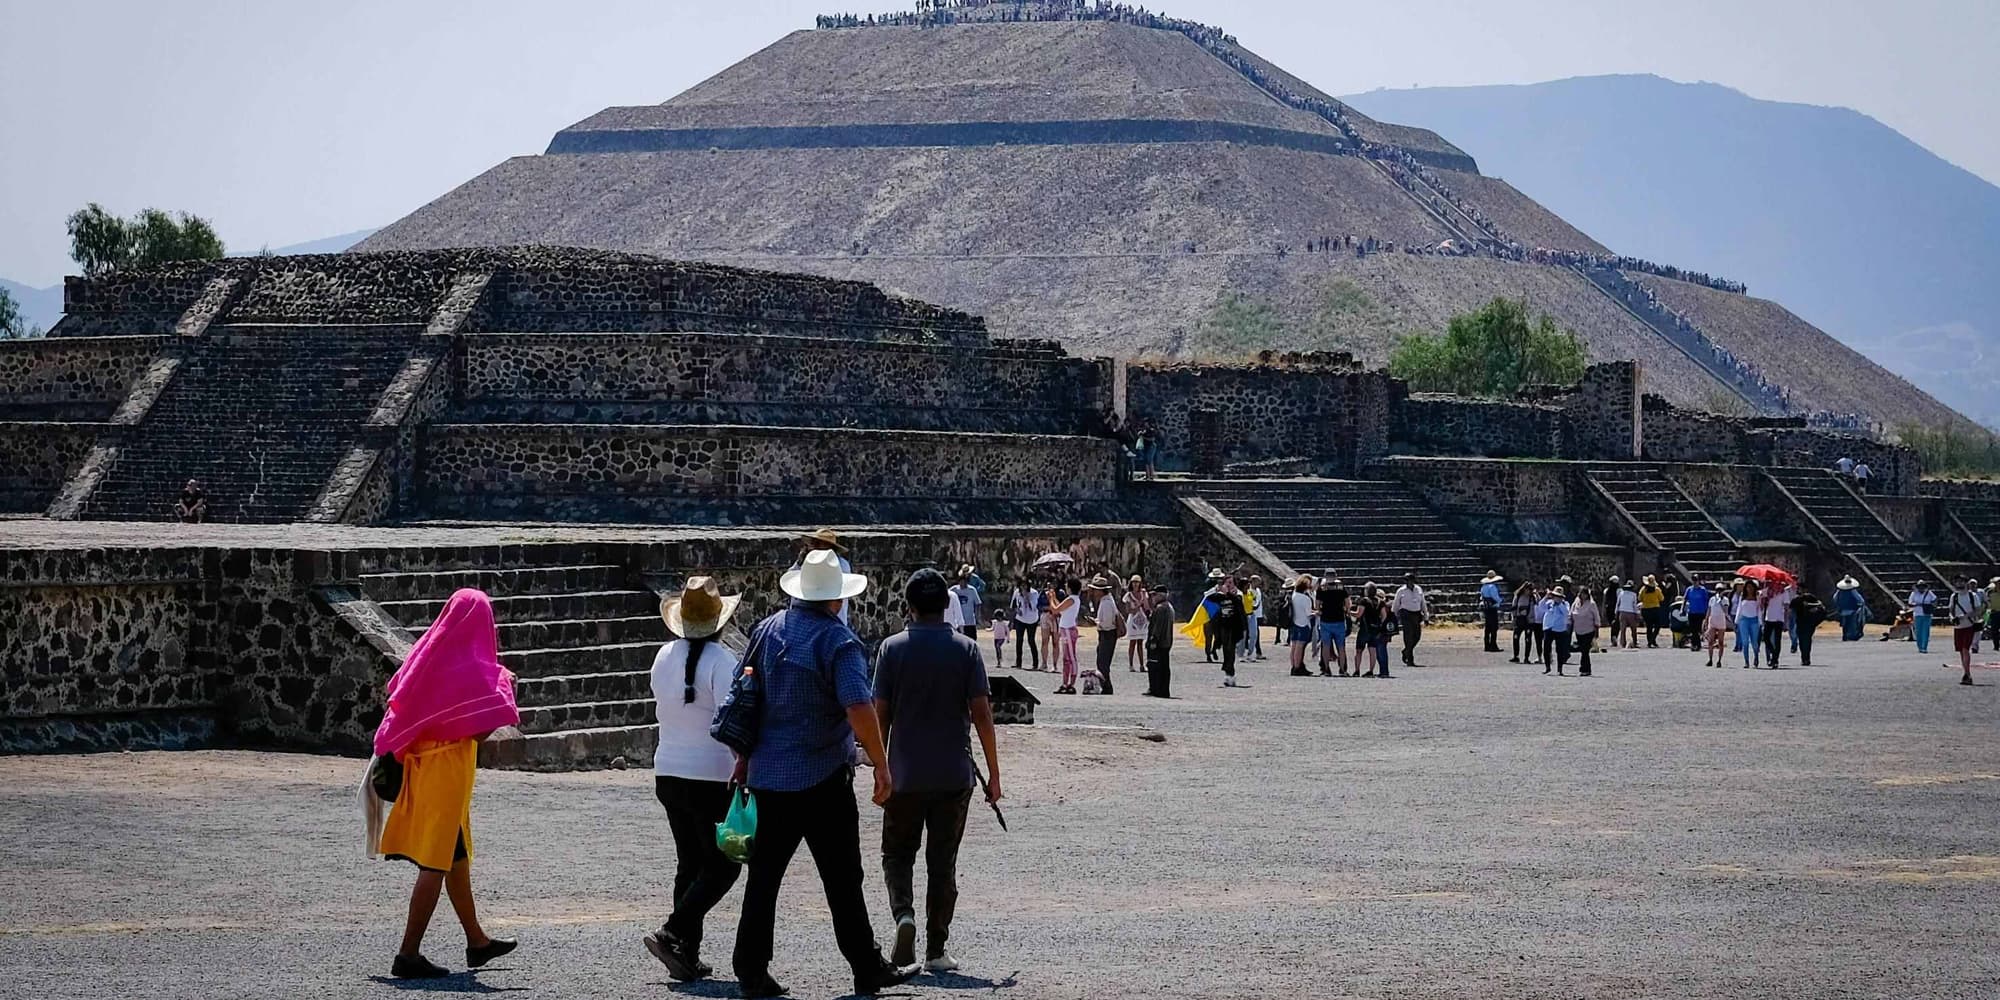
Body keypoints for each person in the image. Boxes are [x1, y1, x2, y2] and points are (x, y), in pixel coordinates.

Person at [731, 549, 921, 999]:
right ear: (836, 599)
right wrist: (881, 763)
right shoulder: (838, 642)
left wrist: (743, 758)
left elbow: (746, 697)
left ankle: (750, 968)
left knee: (764, 878)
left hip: (768, 775)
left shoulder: (766, 631)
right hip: (821, 777)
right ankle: (865, 964)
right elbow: (858, 706)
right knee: (842, 878)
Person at [369, 589, 521, 980]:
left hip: (425, 770)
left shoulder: (427, 655)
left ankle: (477, 941)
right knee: (436, 862)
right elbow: (481, 731)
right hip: (445, 775)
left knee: (455, 858)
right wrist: (506, 688)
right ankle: (408, 953)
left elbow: (399, 701)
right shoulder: (472, 669)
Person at [874, 569, 1001, 976]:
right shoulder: (965, 650)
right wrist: (994, 775)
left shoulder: (891, 649)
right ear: (948, 605)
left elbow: (881, 715)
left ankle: (903, 915)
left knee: (896, 853)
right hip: (952, 774)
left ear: (908, 605)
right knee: (942, 863)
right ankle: (936, 948)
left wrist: (880, 767)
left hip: (904, 774)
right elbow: (982, 714)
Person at [645, 578, 746, 981]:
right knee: (725, 865)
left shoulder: (663, 656)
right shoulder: (723, 663)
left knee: (690, 862)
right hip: (710, 774)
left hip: (668, 769)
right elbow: (730, 721)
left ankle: (687, 951)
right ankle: (674, 931)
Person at [794, 529, 855, 625]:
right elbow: (792, 575)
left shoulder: (841, 565)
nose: (814, 546)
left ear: (829, 547)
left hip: (834, 620)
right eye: (814, 543)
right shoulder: (809, 561)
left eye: (818, 543)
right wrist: (799, 562)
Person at [1212, 574, 1248, 687]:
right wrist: (1215, 590)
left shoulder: (1238, 595)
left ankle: (1230, 674)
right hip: (1223, 626)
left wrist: (1227, 593)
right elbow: (1209, 599)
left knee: (1230, 649)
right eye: (1226, 583)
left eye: (1231, 583)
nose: (1228, 585)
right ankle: (1228, 673)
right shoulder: (1220, 596)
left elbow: (1237, 603)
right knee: (1226, 650)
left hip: (1234, 626)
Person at [1950, 577, 1985, 686]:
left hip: (1969, 625)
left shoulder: (1972, 596)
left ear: (1966, 583)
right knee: (1961, 650)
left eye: (1961, 581)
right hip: (1958, 627)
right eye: (1957, 582)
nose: (1959, 584)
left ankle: (1967, 674)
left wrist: (1965, 616)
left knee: (1965, 649)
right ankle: (1966, 673)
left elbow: (1978, 610)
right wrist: (1952, 618)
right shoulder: (1954, 596)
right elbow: (1951, 610)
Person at [1089, 574, 1120, 696]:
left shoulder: (1106, 603)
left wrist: (1095, 622)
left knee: (1103, 662)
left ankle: (1107, 686)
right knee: (1102, 661)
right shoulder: (1106, 600)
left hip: (1107, 634)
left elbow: (1106, 623)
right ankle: (1106, 685)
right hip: (1107, 634)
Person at [1392, 573, 1429, 667]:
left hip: (1416, 614)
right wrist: (1393, 616)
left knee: (1417, 636)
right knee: (1408, 637)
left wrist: (1426, 617)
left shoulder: (1418, 589)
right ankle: (1410, 659)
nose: (1408, 583)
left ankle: (1406, 651)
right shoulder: (1401, 591)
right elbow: (1396, 604)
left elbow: (1423, 604)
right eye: (1407, 581)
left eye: (1410, 580)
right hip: (1406, 614)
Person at [1316, 571, 1349, 676]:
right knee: (1341, 647)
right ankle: (1343, 669)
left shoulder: (1321, 588)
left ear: (1325, 577)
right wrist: (1346, 611)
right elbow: (1348, 602)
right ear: (1336, 577)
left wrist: (1320, 611)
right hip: (1339, 619)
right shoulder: (1341, 587)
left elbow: (1317, 605)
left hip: (1326, 620)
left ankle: (1326, 668)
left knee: (1326, 645)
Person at [1145, 588, 1176, 698]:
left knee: (1155, 666)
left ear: (1161, 595)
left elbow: (1157, 628)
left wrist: (1153, 641)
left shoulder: (1160, 608)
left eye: (1155, 595)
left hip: (1159, 643)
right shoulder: (1169, 607)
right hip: (1166, 642)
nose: (1153, 598)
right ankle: (1163, 690)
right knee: (1164, 667)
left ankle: (1156, 689)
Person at [1053, 579, 1082, 695]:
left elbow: (1055, 610)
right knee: (1066, 659)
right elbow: (1060, 609)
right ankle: (1065, 683)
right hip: (1065, 629)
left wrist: (1050, 599)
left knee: (1071, 658)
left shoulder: (1072, 599)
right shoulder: (1070, 599)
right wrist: (1053, 597)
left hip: (1069, 630)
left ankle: (1071, 684)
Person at [1286, 575, 1315, 677]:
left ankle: (1294, 665)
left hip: (1294, 622)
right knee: (1300, 646)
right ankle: (1298, 667)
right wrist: (1316, 613)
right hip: (1304, 623)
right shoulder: (1305, 598)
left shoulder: (1294, 595)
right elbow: (1308, 613)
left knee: (1294, 646)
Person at [1010, 580, 1041, 671]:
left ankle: (1035, 664)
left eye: (1025, 585)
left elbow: (1034, 607)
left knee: (1031, 640)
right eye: (1021, 585)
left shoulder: (1034, 593)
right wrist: (1017, 610)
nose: (1023, 588)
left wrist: (1027, 597)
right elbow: (1013, 605)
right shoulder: (1016, 592)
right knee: (1019, 640)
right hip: (1020, 619)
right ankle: (1018, 662)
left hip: (1032, 619)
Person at [1761, 580, 1793, 668]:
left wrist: (1786, 622)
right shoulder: (1767, 591)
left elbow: (1786, 607)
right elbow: (1761, 604)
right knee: (1766, 638)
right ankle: (1773, 653)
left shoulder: (1783, 592)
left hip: (1779, 618)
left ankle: (1775, 660)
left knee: (1777, 640)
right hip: (1769, 617)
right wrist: (1763, 598)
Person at [1541, 584, 1572, 675]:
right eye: (1555, 596)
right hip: (1548, 627)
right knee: (1546, 648)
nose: (1557, 598)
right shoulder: (1549, 603)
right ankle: (1547, 667)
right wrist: (1546, 597)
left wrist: (1559, 604)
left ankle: (1560, 668)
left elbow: (1566, 613)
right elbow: (1540, 607)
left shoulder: (1565, 604)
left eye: (1559, 596)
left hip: (1559, 629)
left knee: (1560, 650)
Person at [1571, 586, 1600, 677]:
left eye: (1585, 594)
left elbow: (1596, 616)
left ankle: (1585, 668)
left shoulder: (1591, 604)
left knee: (1585, 650)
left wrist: (1597, 626)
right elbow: (1571, 613)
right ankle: (1585, 668)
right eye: (1581, 594)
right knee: (1583, 649)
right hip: (1578, 630)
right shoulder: (1576, 603)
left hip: (1589, 630)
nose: (1583, 596)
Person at [1793, 590, 1829, 666]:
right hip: (1802, 623)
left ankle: (1805, 658)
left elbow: (1820, 606)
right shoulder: (1796, 599)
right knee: (1804, 641)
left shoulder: (1809, 597)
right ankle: (1805, 658)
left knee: (1805, 641)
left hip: (1807, 623)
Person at [1735, 580, 1765, 668]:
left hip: (1754, 620)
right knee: (1745, 642)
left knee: (1754, 642)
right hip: (1744, 620)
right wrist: (1736, 621)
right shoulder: (1742, 596)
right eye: (1748, 587)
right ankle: (1746, 661)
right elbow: (1739, 609)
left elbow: (1759, 610)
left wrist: (1761, 623)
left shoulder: (1757, 596)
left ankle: (1756, 657)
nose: (1749, 589)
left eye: (1751, 587)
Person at [1703, 584, 1733, 667]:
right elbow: (1709, 610)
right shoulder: (1712, 599)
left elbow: (1725, 611)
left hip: (1721, 621)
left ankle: (1719, 660)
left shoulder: (1725, 600)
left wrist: (1720, 602)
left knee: (1720, 642)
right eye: (1718, 590)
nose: (1719, 591)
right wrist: (1706, 620)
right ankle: (1710, 659)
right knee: (1710, 641)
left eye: (1721, 590)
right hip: (1713, 621)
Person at [948, 569, 982, 642]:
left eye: (964, 581)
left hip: (970, 621)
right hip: (958, 622)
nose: (962, 584)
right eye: (961, 581)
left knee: (972, 640)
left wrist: (977, 615)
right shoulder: (954, 590)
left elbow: (978, 603)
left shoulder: (972, 590)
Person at [1124, 577, 1150, 672]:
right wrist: (1137, 607)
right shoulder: (1128, 595)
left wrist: (1144, 601)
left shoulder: (1143, 594)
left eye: (1137, 582)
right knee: (1132, 643)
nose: (1135, 584)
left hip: (1142, 620)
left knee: (1140, 643)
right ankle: (1131, 665)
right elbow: (1128, 610)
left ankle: (1142, 665)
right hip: (1133, 620)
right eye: (1134, 582)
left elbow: (1147, 607)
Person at [1509, 581, 1536, 663]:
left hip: (1528, 620)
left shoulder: (1532, 598)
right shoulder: (1518, 596)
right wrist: (1513, 618)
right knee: (1516, 637)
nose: (1529, 591)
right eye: (1528, 589)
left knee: (1528, 639)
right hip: (1519, 619)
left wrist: (1531, 620)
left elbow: (1533, 609)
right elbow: (1514, 608)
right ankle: (1516, 656)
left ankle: (1526, 657)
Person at [1834, 576, 1867, 641]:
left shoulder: (1839, 591)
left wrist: (1839, 605)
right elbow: (1861, 600)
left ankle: (1845, 635)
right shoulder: (1853, 591)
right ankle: (1852, 636)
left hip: (1843, 611)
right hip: (1852, 611)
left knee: (1845, 624)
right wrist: (1859, 605)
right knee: (1852, 624)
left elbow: (1835, 598)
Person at [1909, 582, 1938, 655]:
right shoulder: (1914, 593)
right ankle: (1920, 647)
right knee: (1918, 632)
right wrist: (1917, 604)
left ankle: (1924, 647)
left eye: (1922, 587)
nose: (1921, 588)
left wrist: (1932, 605)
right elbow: (1910, 603)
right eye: (1920, 587)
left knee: (1926, 631)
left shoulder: (1929, 593)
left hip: (1927, 614)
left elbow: (1935, 599)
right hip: (1917, 614)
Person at [1683, 579, 1711, 652]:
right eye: (1694, 580)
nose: (1695, 582)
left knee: (1698, 629)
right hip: (1692, 612)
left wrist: (1707, 611)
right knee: (1693, 629)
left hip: (1700, 612)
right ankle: (1695, 644)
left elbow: (1706, 600)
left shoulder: (1702, 590)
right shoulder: (1689, 589)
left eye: (1696, 580)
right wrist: (1682, 609)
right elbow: (1685, 599)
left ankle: (1696, 644)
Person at [1478, 571, 1504, 653]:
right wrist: (1500, 600)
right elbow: (1495, 597)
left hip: (1486, 608)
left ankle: (1487, 645)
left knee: (1487, 627)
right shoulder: (1492, 587)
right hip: (1492, 608)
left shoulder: (1483, 587)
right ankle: (1493, 645)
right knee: (1494, 627)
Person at [1637, 575, 1666, 647]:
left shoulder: (1643, 589)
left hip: (1646, 609)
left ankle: (1650, 641)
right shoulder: (1657, 590)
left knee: (1649, 627)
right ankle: (1652, 639)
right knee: (1657, 625)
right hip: (1655, 609)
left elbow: (1640, 598)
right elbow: (1662, 598)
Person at [1243, 575, 1265, 662]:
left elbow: (1259, 602)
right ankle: (1254, 652)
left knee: (1255, 634)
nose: (1259, 583)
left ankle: (1255, 652)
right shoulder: (1249, 591)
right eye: (1257, 581)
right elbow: (1252, 603)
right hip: (1251, 614)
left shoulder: (1258, 590)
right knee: (1252, 634)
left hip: (1257, 614)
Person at [1615, 580, 1641, 648]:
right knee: (1633, 628)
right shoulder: (1634, 595)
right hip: (1631, 612)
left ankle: (1623, 643)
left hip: (1622, 612)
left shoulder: (1621, 593)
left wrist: (1616, 612)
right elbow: (1634, 605)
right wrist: (1637, 614)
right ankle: (1635, 642)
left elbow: (1618, 604)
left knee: (1623, 629)